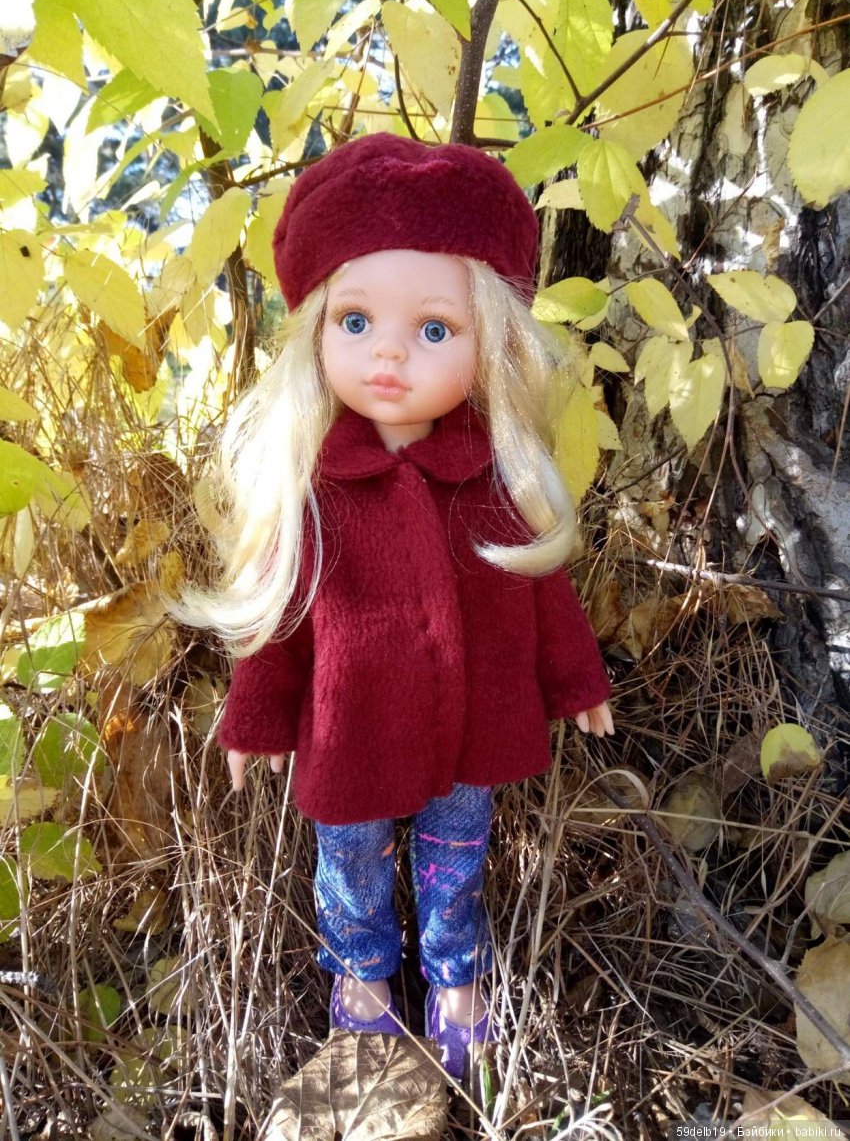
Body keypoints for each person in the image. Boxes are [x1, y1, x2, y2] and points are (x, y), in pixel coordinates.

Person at [175, 133, 614, 1082]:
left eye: (434, 331)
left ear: (489, 341)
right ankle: (364, 978)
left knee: (458, 855)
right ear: (316, 333)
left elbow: (543, 593)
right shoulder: (312, 492)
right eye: (356, 320)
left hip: (470, 723)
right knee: (351, 862)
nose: (388, 355)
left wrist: (577, 680)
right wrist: (257, 716)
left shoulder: (492, 480)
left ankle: (453, 975)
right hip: (352, 729)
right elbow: (279, 621)